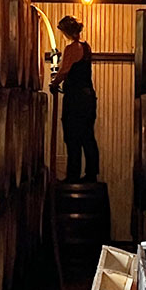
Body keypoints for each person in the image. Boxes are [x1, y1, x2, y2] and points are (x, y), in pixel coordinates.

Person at [50, 16, 99, 184]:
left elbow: (64, 71)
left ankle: (73, 175)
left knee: (72, 136)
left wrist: (54, 83)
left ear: (67, 31)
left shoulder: (71, 49)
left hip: (76, 99)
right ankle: (91, 173)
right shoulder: (87, 47)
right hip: (89, 98)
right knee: (87, 136)